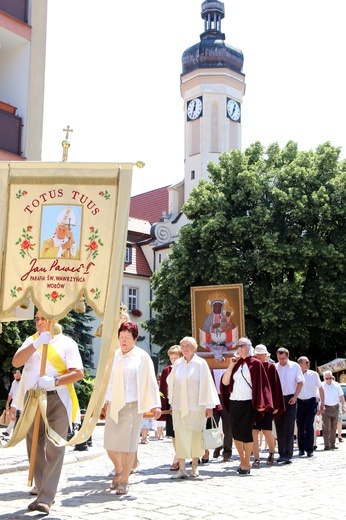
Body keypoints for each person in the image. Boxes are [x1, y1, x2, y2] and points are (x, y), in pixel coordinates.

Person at [11, 311, 84, 515]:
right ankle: (41, 488)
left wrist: (55, 381)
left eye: (44, 318)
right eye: (37, 319)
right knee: (33, 444)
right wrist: (35, 344)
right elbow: (16, 362)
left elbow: (78, 373)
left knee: (54, 447)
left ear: (55, 319)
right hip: (33, 397)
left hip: (56, 398)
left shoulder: (67, 342)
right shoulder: (31, 340)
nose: (39, 322)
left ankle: (46, 498)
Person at [104, 321, 161, 495]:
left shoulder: (142, 357)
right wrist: (104, 402)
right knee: (110, 444)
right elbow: (108, 380)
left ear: (135, 339)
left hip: (132, 404)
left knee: (128, 446)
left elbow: (150, 380)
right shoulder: (114, 356)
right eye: (121, 337)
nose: (123, 341)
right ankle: (118, 469)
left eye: (127, 338)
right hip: (114, 404)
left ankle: (125, 479)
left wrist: (155, 404)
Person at [167, 336, 219, 479]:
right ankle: (182, 468)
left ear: (195, 347)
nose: (185, 348)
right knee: (180, 436)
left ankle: (195, 467)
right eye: (183, 345)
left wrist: (209, 405)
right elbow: (170, 382)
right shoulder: (177, 363)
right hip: (179, 406)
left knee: (195, 436)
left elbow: (207, 384)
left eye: (188, 345)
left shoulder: (200, 364)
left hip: (196, 406)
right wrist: (172, 401)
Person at [221, 338, 273, 475]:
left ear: (248, 347)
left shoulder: (255, 363)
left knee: (246, 431)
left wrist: (262, 403)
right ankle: (243, 459)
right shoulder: (236, 364)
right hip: (234, 401)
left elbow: (263, 385)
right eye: (238, 346)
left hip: (248, 402)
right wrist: (231, 365)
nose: (239, 348)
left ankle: (246, 462)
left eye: (242, 345)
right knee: (236, 431)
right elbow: (225, 382)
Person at [252, 344, 285, 467]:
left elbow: (276, 386)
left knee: (266, 431)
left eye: (261, 354)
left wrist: (276, 405)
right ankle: (256, 458)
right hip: (254, 404)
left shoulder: (271, 367)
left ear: (266, 355)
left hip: (267, 404)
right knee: (254, 432)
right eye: (257, 354)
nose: (258, 356)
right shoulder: (252, 367)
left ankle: (271, 452)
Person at [274, 347, 304, 464]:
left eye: (283, 358)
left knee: (289, 427)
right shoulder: (275, 367)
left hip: (290, 398)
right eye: (279, 358)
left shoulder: (295, 366)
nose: (281, 361)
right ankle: (281, 453)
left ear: (288, 356)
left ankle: (288, 454)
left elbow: (300, 382)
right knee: (279, 427)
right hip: (278, 399)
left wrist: (295, 397)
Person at [159, 344, 183, 471]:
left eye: (175, 357)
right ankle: (177, 456)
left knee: (180, 431)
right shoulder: (166, 370)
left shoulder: (183, 368)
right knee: (173, 433)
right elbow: (162, 389)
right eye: (171, 358)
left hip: (181, 402)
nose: (173, 360)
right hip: (170, 404)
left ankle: (178, 457)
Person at [296, 356, 325, 457]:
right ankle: (301, 448)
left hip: (311, 402)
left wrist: (322, 404)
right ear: (300, 364)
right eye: (306, 362)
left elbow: (321, 389)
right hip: (299, 402)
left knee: (309, 424)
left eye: (309, 362)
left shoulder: (314, 374)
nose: (308, 364)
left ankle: (309, 449)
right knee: (300, 426)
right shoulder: (295, 374)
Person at [210, 368, 233, 462]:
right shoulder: (210, 364)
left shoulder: (229, 362)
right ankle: (218, 445)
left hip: (226, 397)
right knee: (213, 425)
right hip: (213, 397)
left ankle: (227, 451)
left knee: (227, 426)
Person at [321, 370, 346, 450]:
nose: (329, 380)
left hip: (335, 407)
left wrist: (343, 406)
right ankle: (326, 445)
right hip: (326, 408)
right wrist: (319, 407)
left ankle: (332, 444)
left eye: (330, 378)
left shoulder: (336, 385)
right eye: (327, 378)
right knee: (326, 427)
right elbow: (318, 398)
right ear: (324, 378)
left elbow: (341, 396)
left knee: (333, 427)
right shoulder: (321, 385)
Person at [3, 370, 22, 438]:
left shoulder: (24, 382)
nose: (16, 378)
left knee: (21, 417)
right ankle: (8, 431)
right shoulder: (14, 382)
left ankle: (17, 433)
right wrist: (8, 402)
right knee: (13, 416)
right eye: (15, 377)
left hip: (22, 401)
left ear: (20, 374)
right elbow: (11, 393)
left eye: (17, 376)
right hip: (14, 401)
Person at [153, 373, 165, 440]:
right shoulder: (155, 387)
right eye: (158, 379)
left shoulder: (164, 386)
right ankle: (157, 432)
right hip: (157, 404)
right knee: (157, 420)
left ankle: (161, 433)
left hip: (162, 404)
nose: (159, 381)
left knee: (162, 421)